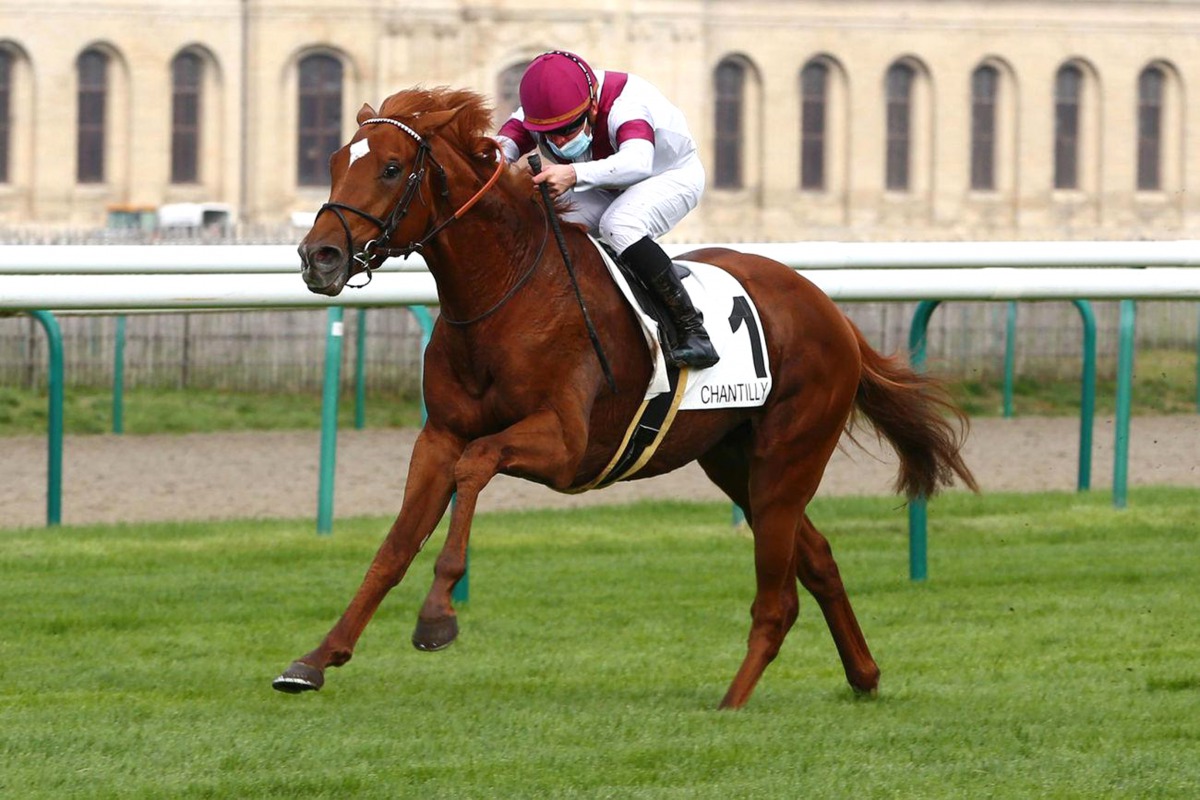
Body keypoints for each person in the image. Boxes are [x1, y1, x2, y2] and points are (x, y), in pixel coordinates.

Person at [495, 50, 719, 370]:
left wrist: (572, 174)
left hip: (669, 177)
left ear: (594, 107)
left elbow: (638, 162)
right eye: (549, 135)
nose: (558, 142)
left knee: (620, 224)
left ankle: (693, 331)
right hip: (605, 186)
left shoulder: (626, 105)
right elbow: (496, 154)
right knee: (544, 221)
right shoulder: (541, 113)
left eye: (569, 129)